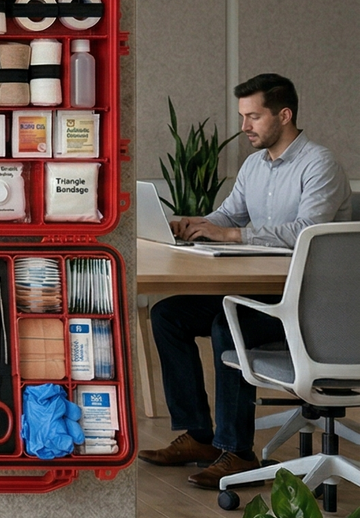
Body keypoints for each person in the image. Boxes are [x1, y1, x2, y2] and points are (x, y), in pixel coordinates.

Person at [141, 73, 352, 489]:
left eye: (253, 117)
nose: (244, 127)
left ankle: (237, 451)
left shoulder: (320, 164)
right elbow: (230, 216)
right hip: (265, 294)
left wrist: (231, 235)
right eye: (243, 117)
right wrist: (191, 225)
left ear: (284, 115)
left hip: (311, 305)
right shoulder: (255, 166)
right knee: (168, 315)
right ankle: (200, 436)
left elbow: (307, 230)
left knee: (228, 325)